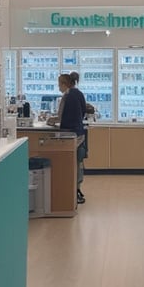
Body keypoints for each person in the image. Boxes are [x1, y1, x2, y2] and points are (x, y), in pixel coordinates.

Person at [56, 73, 87, 204]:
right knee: (78, 162)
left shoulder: (66, 96)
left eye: (59, 84)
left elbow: (60, 116)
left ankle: (70, 191)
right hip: (79, 132)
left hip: (69, 134)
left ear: (64, 84)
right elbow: (83, 111)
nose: (58, 87)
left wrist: (51, 120)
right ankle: (77, 189)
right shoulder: (79, 94)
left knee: (69, 163)